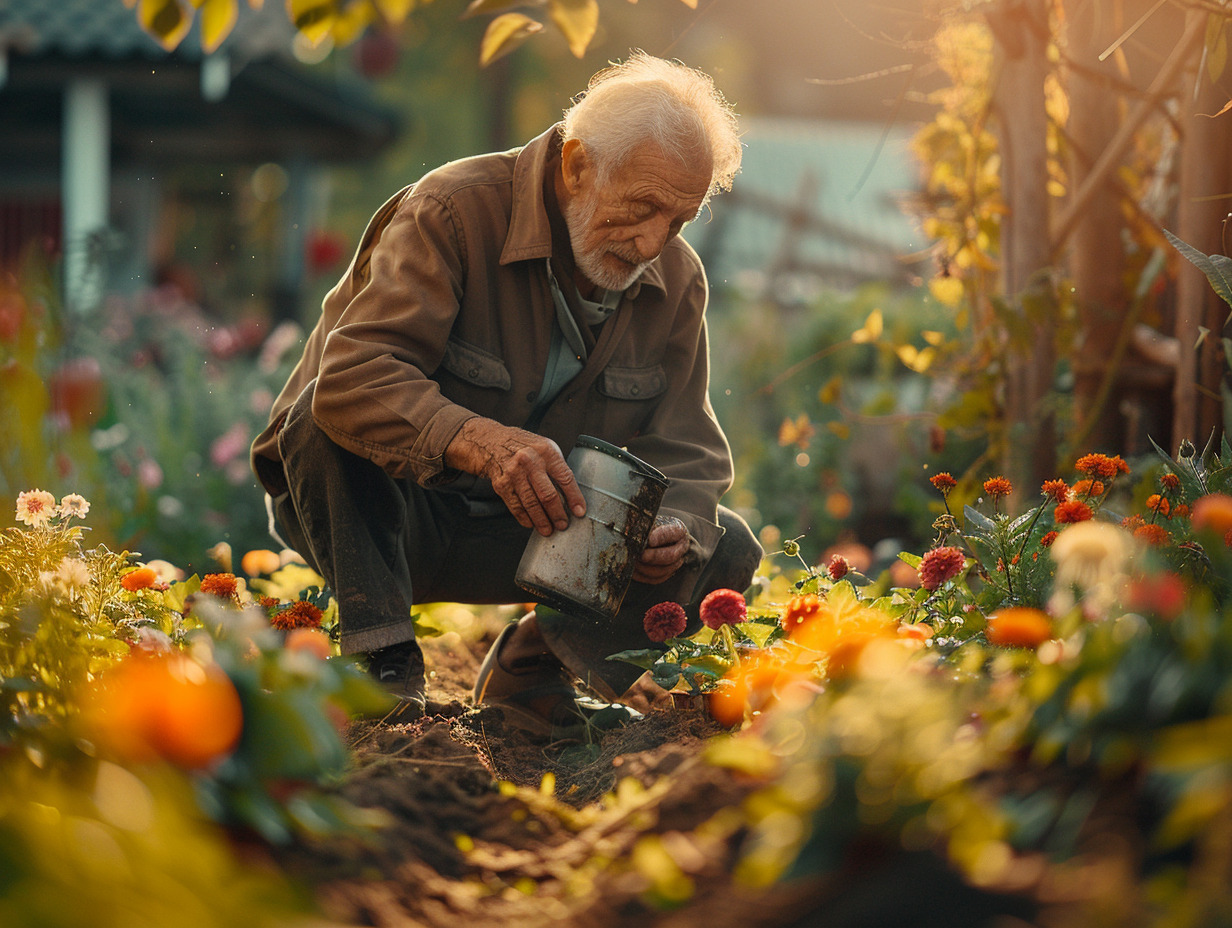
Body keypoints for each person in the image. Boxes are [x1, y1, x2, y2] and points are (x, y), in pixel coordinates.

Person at [250, 51, 762, 728]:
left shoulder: (677, 277)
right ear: (577, 166)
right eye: (642, 208)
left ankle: (535, 662)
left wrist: (677, 529)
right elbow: (352, 379)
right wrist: (481, 443)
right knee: (321, 422)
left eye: (678, 221)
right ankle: (383, 664)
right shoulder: (451, 211)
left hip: (542, 538)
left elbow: (689, 447)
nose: (650, 242)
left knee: (726, 545)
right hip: (391, 518)